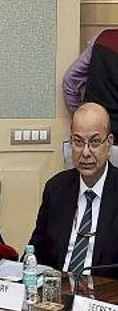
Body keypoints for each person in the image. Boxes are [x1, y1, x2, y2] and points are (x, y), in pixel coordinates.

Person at [29, 102, 118, 277]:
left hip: (106, 296)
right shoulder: (56, 189)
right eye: (78, 142)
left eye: (94, 142)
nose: (85, 152)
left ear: (109, 144)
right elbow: (36, 253)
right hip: (58, 294)